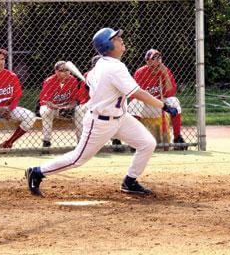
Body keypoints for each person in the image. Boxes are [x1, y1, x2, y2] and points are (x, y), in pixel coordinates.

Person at [25, 27, 178, 197]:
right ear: (107, 46)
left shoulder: (102, 64)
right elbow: (137, 93)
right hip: (100, 122)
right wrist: (163, 106)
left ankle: (130, 181)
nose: (121, 40)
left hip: (120, 117)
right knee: (78, 159)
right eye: (116, 38)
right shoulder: (113, 67)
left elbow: (92, 78)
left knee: (147, 143)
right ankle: (37, 172)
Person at [128, 49, 187, 150]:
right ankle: (135, 140)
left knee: (174, 101)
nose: (157, 61)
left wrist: (165, 74)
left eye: (159, 58)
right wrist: (151, 99)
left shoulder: (165, 70)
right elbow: (135, 95)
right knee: (133, 104)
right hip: (145, 106)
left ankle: (177, 138)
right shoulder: (140, 72)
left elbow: (170, 92)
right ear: (148, 61)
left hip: (162, 106)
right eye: (154, 59)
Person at [75, 55, 125, 152]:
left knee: (115, 112)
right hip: (90, 103)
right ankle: (82, 142)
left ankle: (116, 141)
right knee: (79, 110)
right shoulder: (87, 76)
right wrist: (89, 103)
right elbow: (82, 95)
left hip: (109, 103)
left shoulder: (112, 75)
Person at [39, 61, 79, 148]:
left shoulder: (73, 80)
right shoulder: (49, 81)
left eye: (68, 70)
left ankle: (81, 142)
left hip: (66, 107)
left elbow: (74, 100)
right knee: (46, 111)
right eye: (62, 70)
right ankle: (46, 141)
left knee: (79, 111)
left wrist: (68, 107)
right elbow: (47, 101)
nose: (66, 72)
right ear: (56, 72)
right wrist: (58, 108)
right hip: (51, 107)